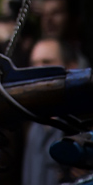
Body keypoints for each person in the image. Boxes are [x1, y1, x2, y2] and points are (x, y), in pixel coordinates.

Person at [21, 37, 83, 185]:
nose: (37, 70)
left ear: (71, 67)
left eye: (46, 62)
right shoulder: (33, 123)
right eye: (34, 64)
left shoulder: (83, 123)